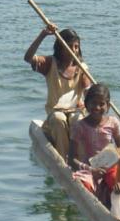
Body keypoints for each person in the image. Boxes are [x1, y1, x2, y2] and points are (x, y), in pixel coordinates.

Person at [24, 24, 91, 160]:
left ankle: (80, 159)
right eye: (69, 46)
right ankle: (64, 159)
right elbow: (28, 58)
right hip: (55, 111)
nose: (73, 50)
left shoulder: (81, 68)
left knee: (77, 120)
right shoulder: (50, 63)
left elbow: (88, 93)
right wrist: (43, 35)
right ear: (60, 48)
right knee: (59, 119)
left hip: (75, 111)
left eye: (76, 47)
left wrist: (89, 107)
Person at [68, 84, 120, 207]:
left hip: (109, 167)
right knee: (84, 184)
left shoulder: (113, 122)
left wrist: (111, 159)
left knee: (117, 182)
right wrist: (92, 170)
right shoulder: (79, 126)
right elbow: (71, 159)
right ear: (86, 104)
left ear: (108, 106)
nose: (97, 107)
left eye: (102, 104)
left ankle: (116, 209)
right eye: (93, 103)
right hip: (88, 168)